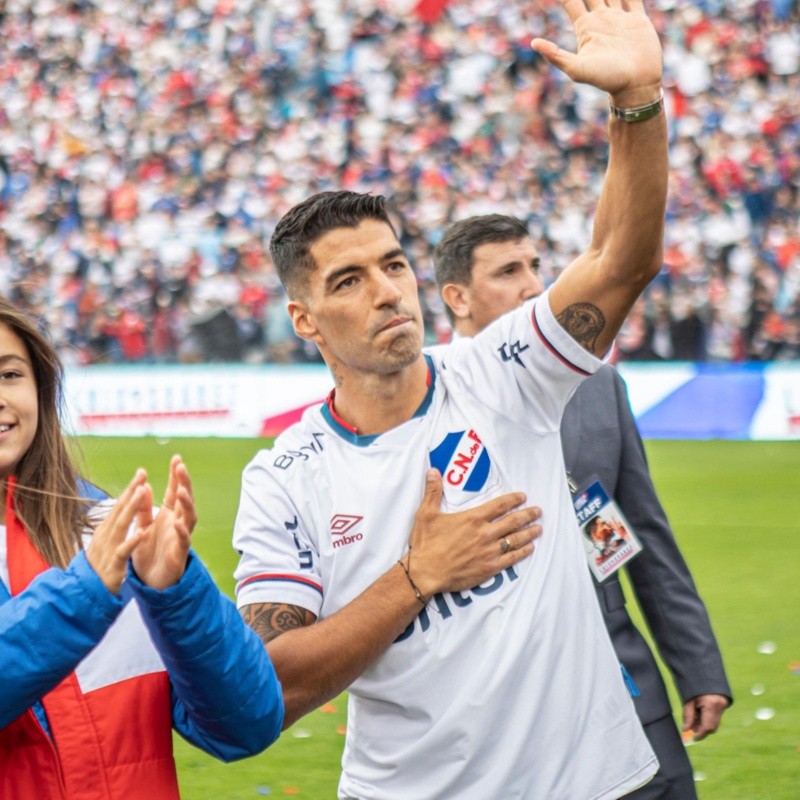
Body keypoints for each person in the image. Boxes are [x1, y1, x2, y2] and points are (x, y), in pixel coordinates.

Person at [234, 1, 669, 796]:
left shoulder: (502, 370)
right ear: (304, 319)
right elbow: (274, 686)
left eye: (394, 265)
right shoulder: (283, 477)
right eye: (349, 280)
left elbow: (618, 262)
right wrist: (417, 574)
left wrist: (635, 102)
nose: (388, 291)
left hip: (595, 783)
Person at [433, 211, 733, 800]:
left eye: (535, 267)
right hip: (501, 715)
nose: (532, 285)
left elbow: (632, 537)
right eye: (508, 271)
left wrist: (698, 669)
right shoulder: (427, 397)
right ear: (457, 298)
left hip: (627, 688)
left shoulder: (598, 384)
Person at [0, 298, 284, 799]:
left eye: (9, 375)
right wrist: (85, 594)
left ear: (40, 391)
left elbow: (249, 724)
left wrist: (175, 592)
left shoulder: (107, 528)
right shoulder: (98, 564)